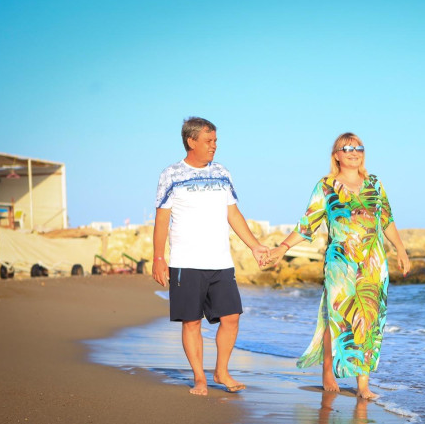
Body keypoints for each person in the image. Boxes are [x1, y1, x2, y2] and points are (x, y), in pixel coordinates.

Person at [266, 132, 410, 399]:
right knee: (338, 316)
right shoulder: (326, 186)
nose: (354, 152)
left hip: (373, 263)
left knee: (369, 318)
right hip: (340, 263)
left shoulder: (375, 184)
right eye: (347, 148)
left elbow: (387, 220)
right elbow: (307, 224)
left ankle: (363, 384)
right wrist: (282, 248)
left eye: (358, 148)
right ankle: (328, 369)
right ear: (336, 155)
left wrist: (400, 249)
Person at [152, 117, 268, 396]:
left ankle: (221, 371)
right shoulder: (171, 174)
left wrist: (254, 246)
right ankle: (199, 378)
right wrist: (158, 258)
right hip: (186, 262)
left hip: (221, 262)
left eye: (215, 140)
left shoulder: (222, 172)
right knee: (191, 322)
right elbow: (162, 219)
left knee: (231, 317)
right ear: (191, 141)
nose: (214, 146)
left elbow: (233, 213)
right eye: (208, 141)